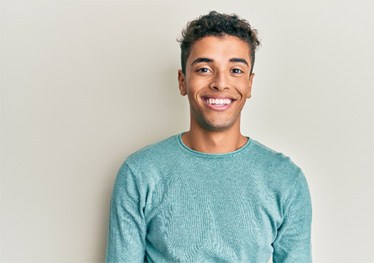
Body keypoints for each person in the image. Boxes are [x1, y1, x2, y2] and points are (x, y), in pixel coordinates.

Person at [106, 11, 312, 263]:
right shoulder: (139, 173)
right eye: (204, 69)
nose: (220, 83)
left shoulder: (285, 179)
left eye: (235, 70)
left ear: (249, 84)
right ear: (182, 81)